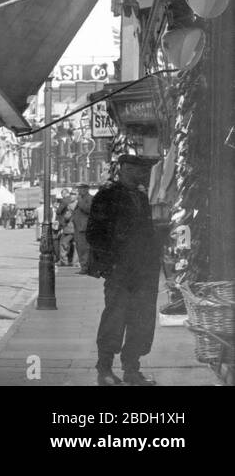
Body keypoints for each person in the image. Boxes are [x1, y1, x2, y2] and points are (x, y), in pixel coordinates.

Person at [87, 155, 163, 386]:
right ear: (124, 170)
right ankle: (105, 370)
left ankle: (132, 370)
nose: (142, 175)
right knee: (115, 319)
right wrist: (110, 263)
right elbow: (94, 233)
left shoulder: (141, 196)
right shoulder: (107, 195)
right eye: (137, 170)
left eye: (143, 171)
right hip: (120, 271)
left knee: (141, 321)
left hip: (143, 272)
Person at [72, 183, 93, 275]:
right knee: (80, 248)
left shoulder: (89, 198)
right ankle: (84, 266)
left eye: (80, 189)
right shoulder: (82, 199)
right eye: (78, 189)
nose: (79, 191)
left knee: (84, 248)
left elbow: (88, 209)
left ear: (86, 189)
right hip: (79, 227)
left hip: (84, 227)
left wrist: (79, 201)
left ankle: (86, 267)